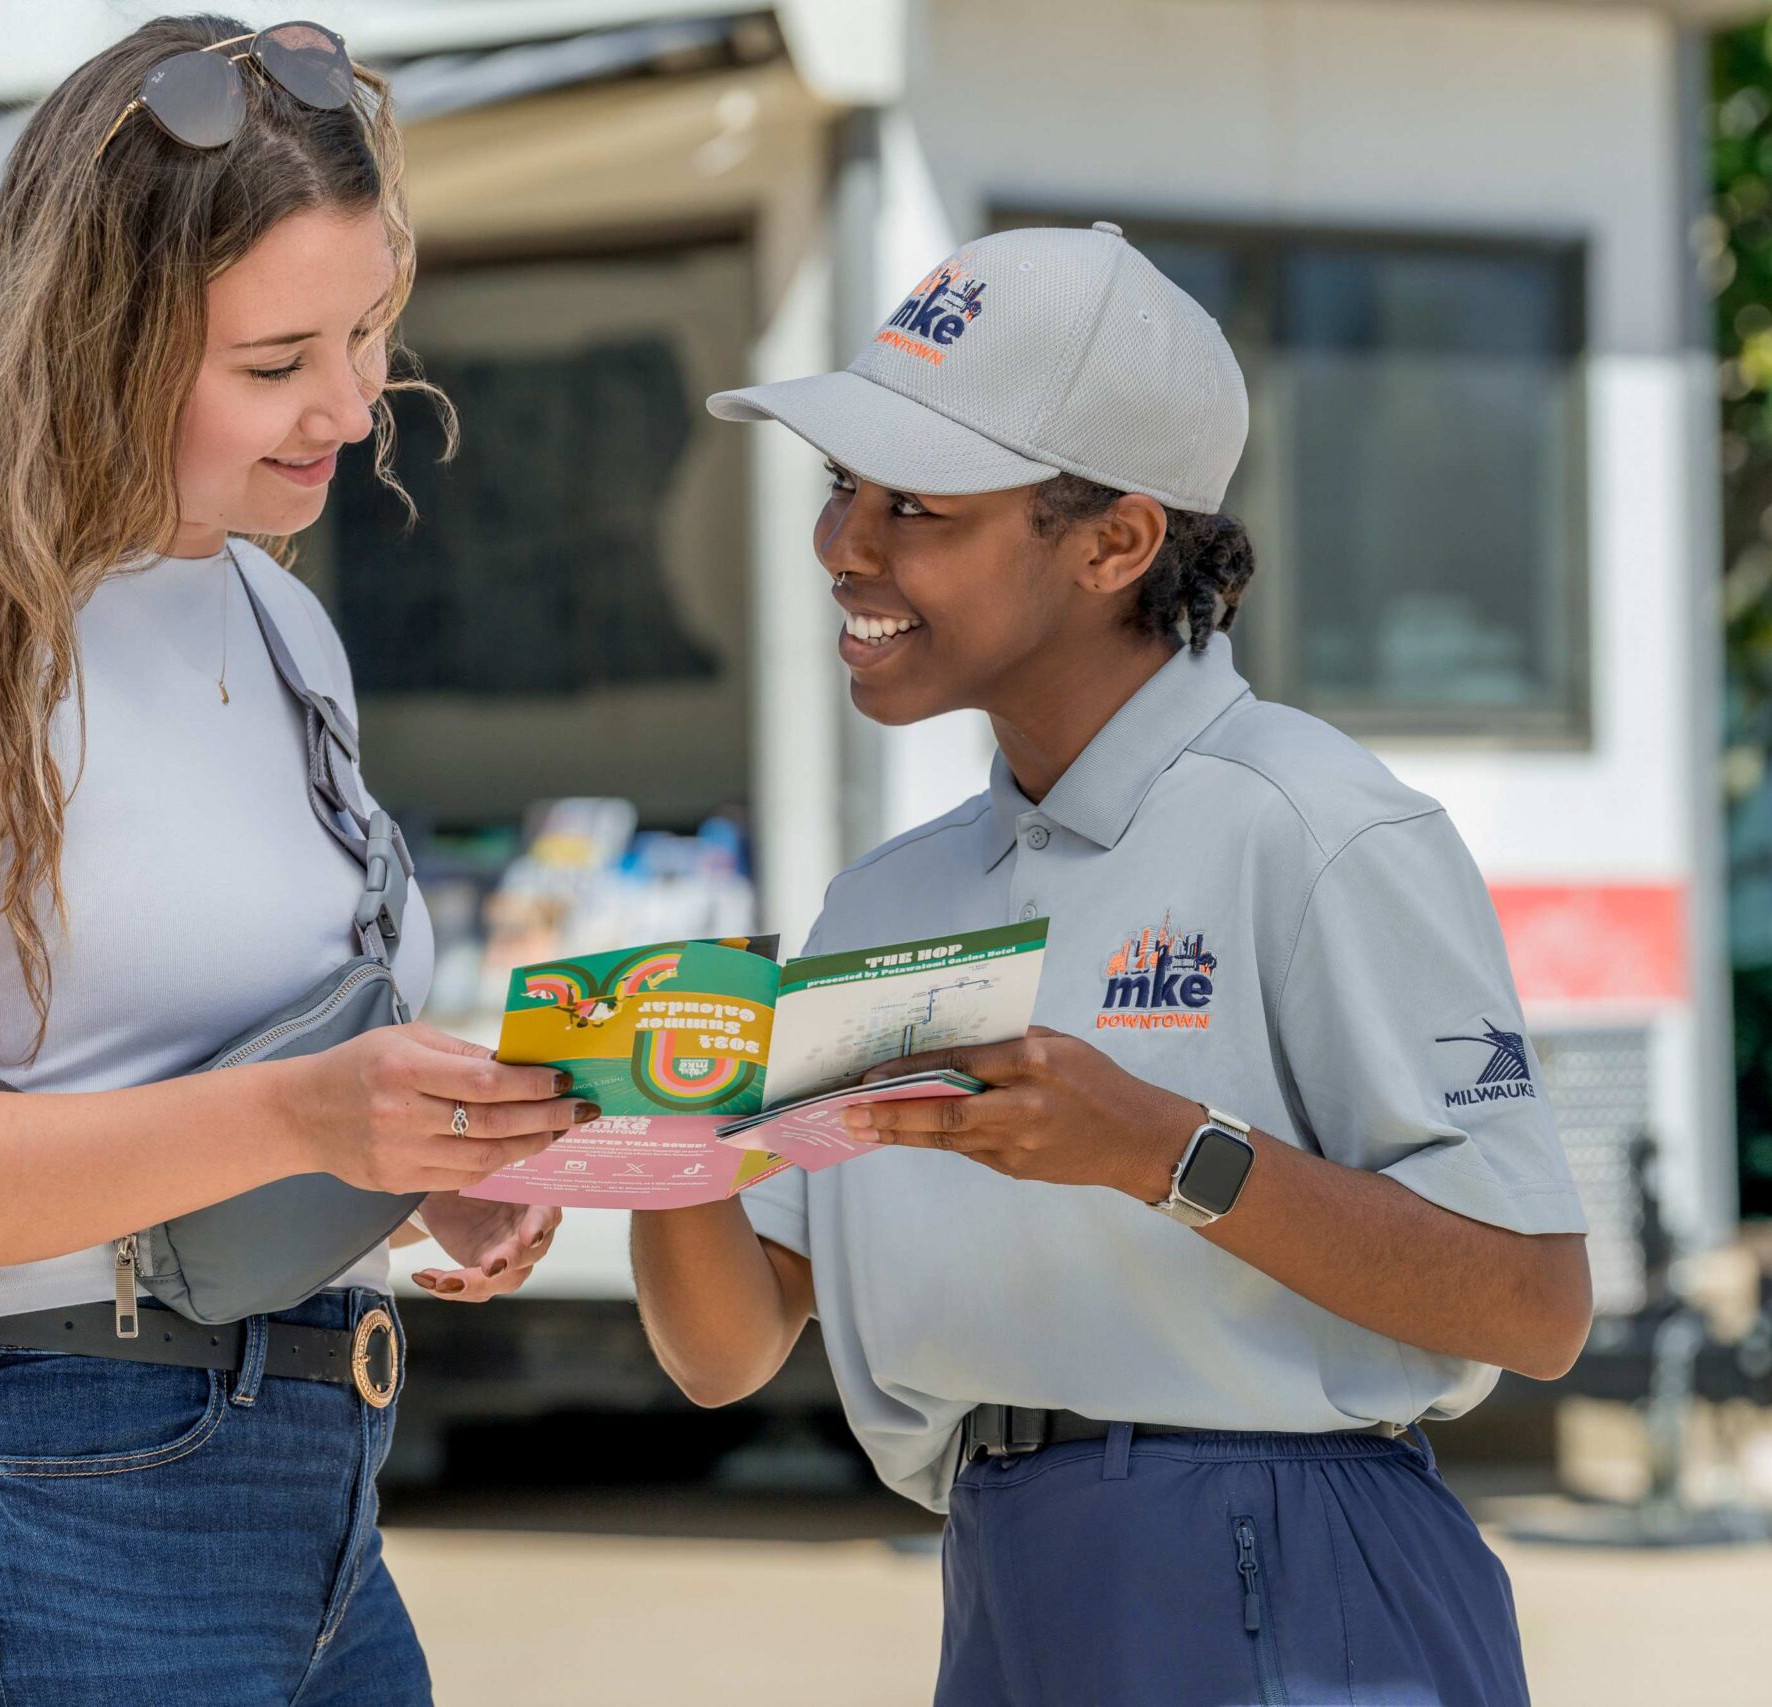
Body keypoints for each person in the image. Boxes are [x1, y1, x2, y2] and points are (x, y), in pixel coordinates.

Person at [0, 17, 595, 1705]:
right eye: (275, 358)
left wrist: (423, 1167)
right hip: (22, 1477)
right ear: (98, 341)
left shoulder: (282, 618)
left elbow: (209, 1074)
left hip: (314, 1472)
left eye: (371, 328)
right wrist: (306, 1118)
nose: (351, 404)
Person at [631, 221, 1593, 1706]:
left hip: (1295, 1564)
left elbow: (1534, 1306)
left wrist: (1165, 1153)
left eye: (918, 504)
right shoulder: (889, 899)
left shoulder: (1318, 829)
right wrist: (657, 1131)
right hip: (1002, 1569)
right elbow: (729, 1351)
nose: (845, 544)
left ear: (1116, 542)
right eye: (843, 488)